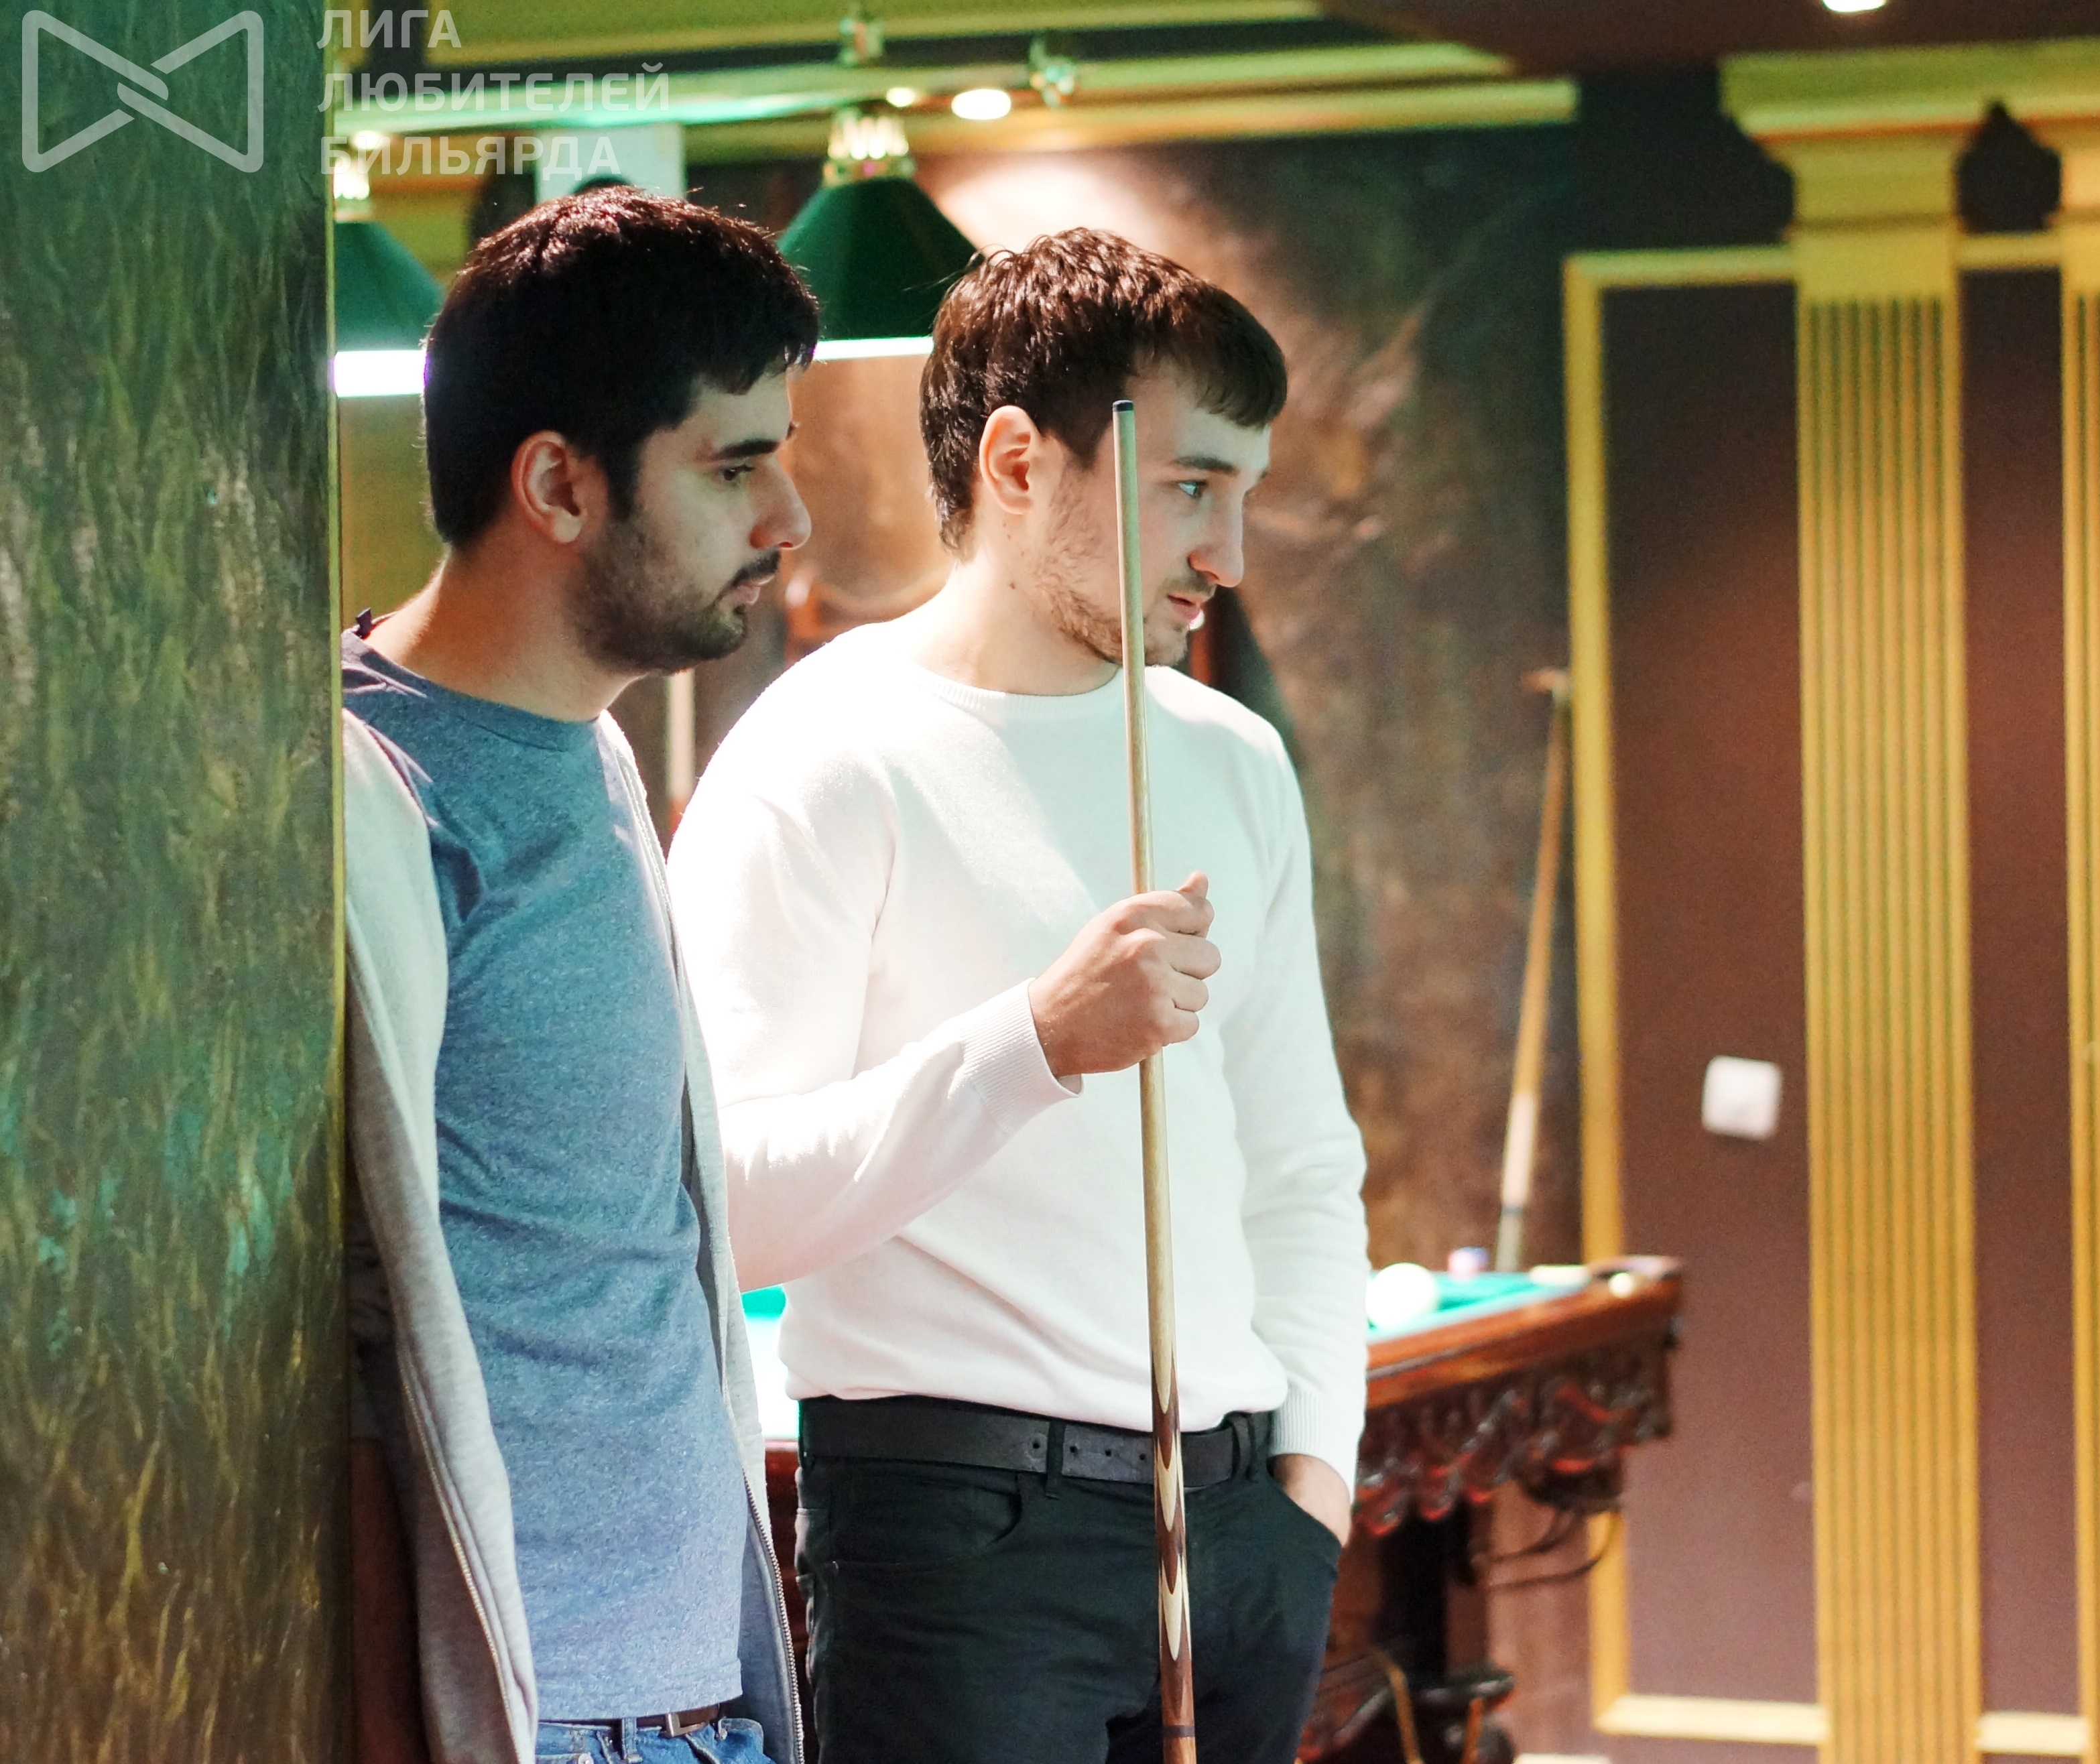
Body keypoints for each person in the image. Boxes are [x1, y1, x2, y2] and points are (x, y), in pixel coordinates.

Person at [667, 229, 1369, 1764]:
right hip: (960, 1545)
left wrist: (1310, 1489)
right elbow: (721, 1204)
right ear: (1017, 461)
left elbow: (1303, 1166)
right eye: (1192, 485)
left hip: (1240, 1533)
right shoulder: (822, 752)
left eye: (1246, 492)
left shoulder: (1232, 758)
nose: (1230, 552)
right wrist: (1034, 1041)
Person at [341, 188, 816, 1764]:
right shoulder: (363, 789)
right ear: (558, 482)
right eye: (734, 465)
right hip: (529, 1708)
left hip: (697, 1691)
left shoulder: (594, 747)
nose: (787, 518)